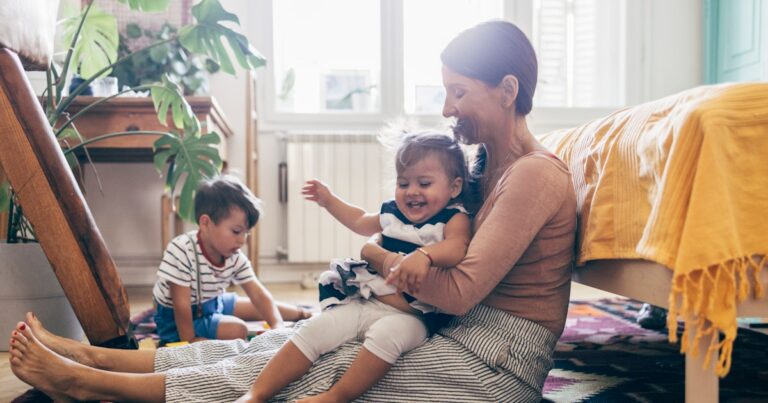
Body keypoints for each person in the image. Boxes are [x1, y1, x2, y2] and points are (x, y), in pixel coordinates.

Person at [8, 20, 577, 403]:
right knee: (277, 344)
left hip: (496, 361)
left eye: (459, 93)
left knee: (312, 371)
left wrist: (374, 254)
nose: (447, 108)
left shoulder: (533, 174)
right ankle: (90, 358)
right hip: (450, 330)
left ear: (507, 90)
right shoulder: (481, 169)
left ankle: (88, 384)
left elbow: (454, 292)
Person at [247, 132, 471, 402]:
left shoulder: (453, 219)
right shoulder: (392, 214)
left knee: (387, 336)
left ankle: (336, 396)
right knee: (317, 328)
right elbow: (359, 221)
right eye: (403, 183)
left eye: (424, 183)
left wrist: (425, 255)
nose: (412, 191)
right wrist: (329, 201)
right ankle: (256, 394)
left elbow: (458, 247)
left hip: (414, 317)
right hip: (369, 300)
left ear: (454, 187)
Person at [152, 174, 310, 343]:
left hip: (212, 302)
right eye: (236, 231)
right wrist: (190, 340)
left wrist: (277, 326)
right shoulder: (181, 250)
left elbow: (257, 293)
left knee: (258, 307)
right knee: (237, 329)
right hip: (178, 320)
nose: (242, 240)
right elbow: (181, 306)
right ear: (205, 223)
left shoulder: (233, 255)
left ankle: (302, 314)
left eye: (246, 233)